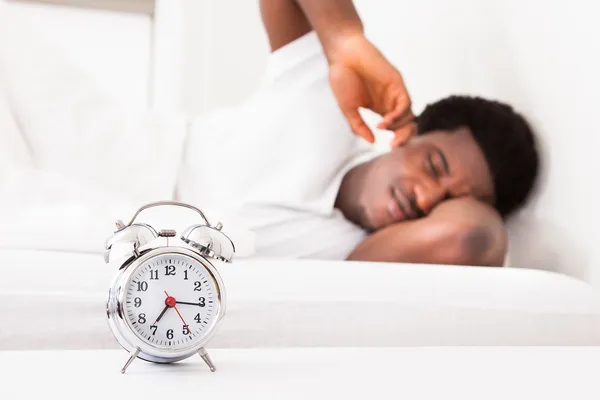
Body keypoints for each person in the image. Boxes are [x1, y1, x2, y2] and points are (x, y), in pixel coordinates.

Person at [0, 0, 539, 267]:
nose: (423, 198)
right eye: (434, 167)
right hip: (118, 143)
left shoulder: (359, 251)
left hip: (134, 228)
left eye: (445, 201)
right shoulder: (327, 103)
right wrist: (344, 37)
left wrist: (469, 204)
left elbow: (471, 239)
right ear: (406, 131)